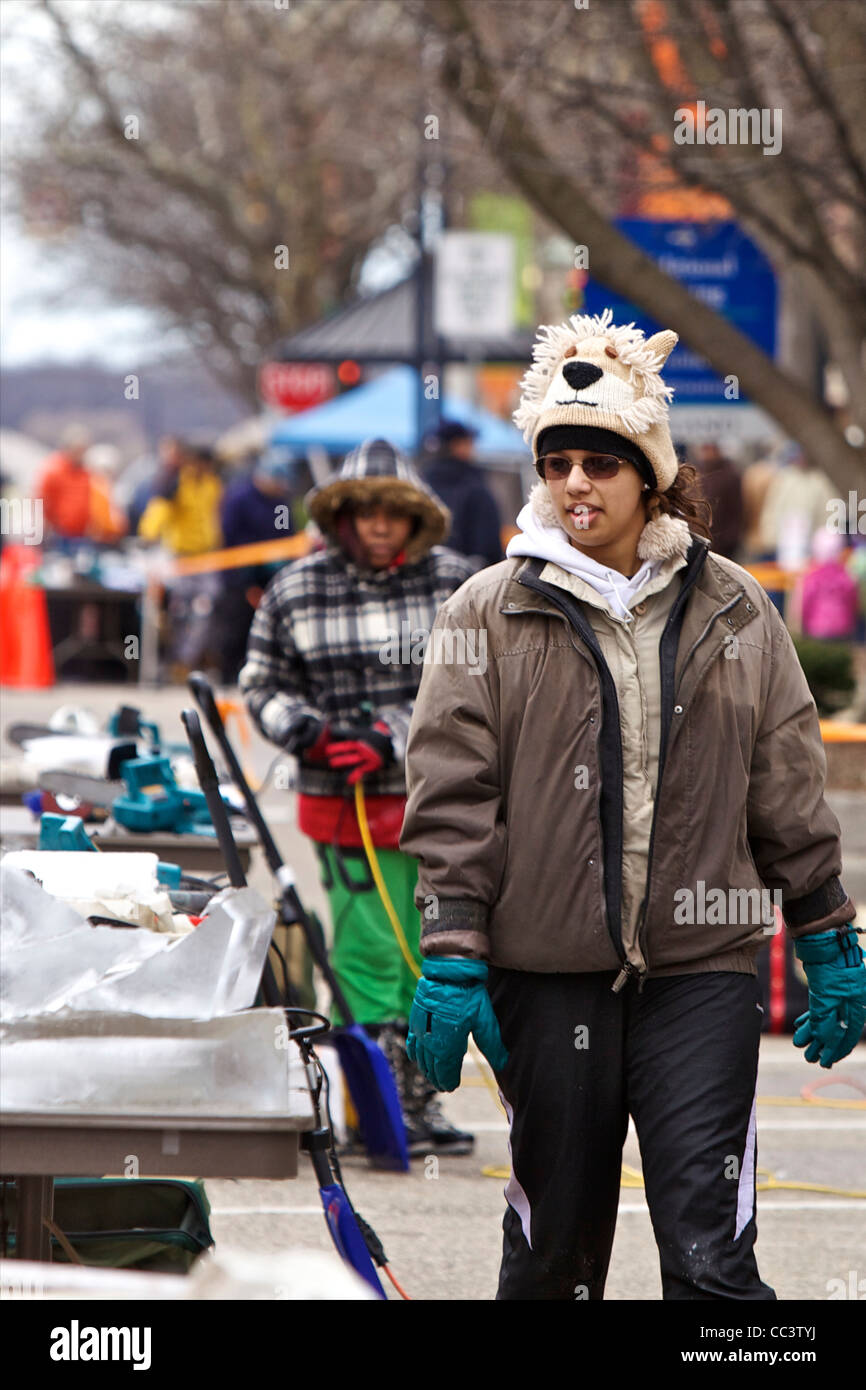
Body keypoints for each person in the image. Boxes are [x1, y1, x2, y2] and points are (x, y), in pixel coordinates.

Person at [399, 308, 865, 1300]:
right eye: (557, 461)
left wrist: (825, 934)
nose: (575, 483)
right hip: (548, 970)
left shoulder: (734, 606)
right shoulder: (487, 607)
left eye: (600, 463)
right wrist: (450, 949)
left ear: (647, 474)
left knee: (709, 1259)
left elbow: (784, 782)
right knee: (552, 1259)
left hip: (701, 971)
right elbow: (450, 792)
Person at [239, 438, 477, 1155]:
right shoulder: (295, 588)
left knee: (436, 951)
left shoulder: (459, 586)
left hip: (440, 807)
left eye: (392, 514)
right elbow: (259, 682)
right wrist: (302, 729)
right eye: (364, 512)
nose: (378, 526)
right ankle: (376, 1103)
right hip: (343, 811)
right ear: (342, 517)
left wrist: (391, 734)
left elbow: (477, 687)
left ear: (413, 520)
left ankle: (421, 1098)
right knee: (369, 955)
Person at [138, 443, 224, 677]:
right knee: (179, 610)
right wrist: (148, 533)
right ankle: (176, 660)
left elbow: (214, 515)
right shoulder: (176, 483)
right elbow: (160, 510)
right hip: (181, 557)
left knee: (206, 608)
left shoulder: (212, 484)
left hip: (206, 556)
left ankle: (190, 659)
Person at [215, 447, 299, 684]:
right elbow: (230, 538)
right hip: (238, 578)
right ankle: (228, 676)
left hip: (270, 578)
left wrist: (280, 557)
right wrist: (247, 577)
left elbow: (286, 533)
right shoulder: (239, 498)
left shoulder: (280, 504)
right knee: (236, 628)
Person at [422, 420, 503, 570]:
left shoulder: (421, 485)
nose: (473, 448)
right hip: (470, 581)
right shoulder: (475, 488)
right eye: (469, 442)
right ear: (456, 446)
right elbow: (489, 547)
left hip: (425, 578)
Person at [758, 441, 836, 568]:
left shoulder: (821, 480)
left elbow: (829, 515)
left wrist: (824, 544)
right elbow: (772, 511)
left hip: (815, 551)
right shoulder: (785, 478)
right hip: (784, 548)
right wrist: (771, 538)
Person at [694, 440, 743, 559]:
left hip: (723, 545)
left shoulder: (730, 475)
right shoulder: (696, 473)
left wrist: (729, 540)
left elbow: (736, 510)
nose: (706, 453)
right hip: (700, 542)